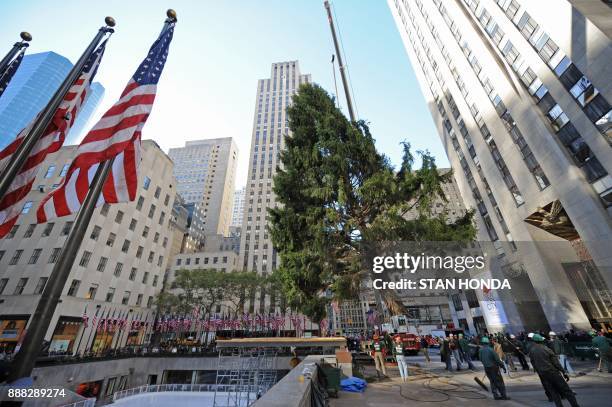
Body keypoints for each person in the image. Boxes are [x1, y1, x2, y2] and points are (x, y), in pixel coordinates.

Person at [529, 334, 580, 407]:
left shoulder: (532, 350)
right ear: (541, 341)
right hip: (553, 372)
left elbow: (533, 363)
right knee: (567, 390)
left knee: (553, 392)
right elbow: (556, 363)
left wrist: (539, 372)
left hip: (543, 374)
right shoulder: (547, 349)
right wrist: (563, 372)